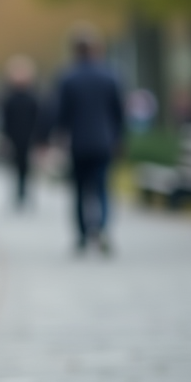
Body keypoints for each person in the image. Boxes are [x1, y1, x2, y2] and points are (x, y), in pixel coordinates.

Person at [51, 25, 125, 254]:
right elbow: (118, 112)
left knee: (80, 191)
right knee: (102, 188)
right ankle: (101, 227)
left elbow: (60, 113)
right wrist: (119, 137)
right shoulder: (109, 75)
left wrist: (57, 136)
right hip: (103, 142)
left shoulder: (67, 77)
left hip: (78, 143)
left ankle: (83, 234)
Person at [0, 55, 43, 210]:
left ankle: (23, 193)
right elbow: (5, 120)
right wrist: (5, 138)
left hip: (29, 137)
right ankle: (19, 193)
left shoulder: (32, 97)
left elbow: (38, 119)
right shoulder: (9, 98)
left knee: (26, 168)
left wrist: (39, 138)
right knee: (16, 167)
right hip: (15, 138)